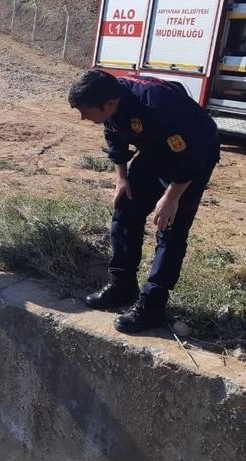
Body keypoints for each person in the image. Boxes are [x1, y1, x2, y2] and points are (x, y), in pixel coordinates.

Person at [69, 70, 220, 333]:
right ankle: (122, 285)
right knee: (126, 209)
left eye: (86, 111)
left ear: (110, 104)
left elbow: (191, 157)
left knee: (169, 228)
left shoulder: (156, 105)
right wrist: (122, 178)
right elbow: (114, 136)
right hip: (156, 152)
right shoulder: (111, 102)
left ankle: (152, 307)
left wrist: (171, 198)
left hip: (195, 155)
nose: (83, 118)